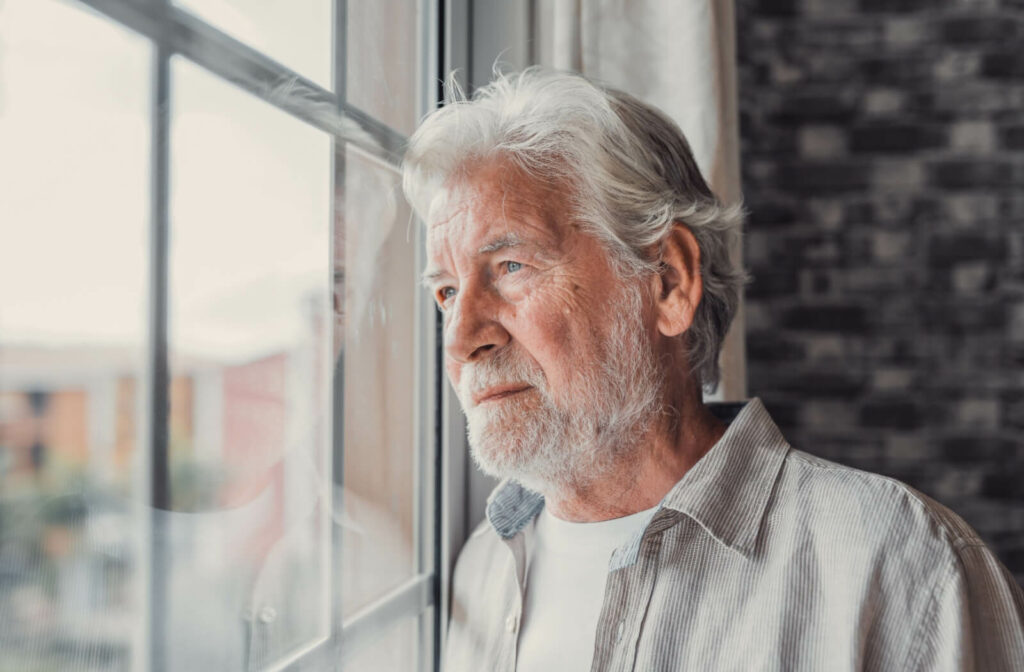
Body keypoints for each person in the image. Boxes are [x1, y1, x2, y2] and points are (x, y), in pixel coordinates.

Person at [401, 67, 1024, 671]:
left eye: (511, 266)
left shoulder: (903, 564)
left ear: (668, 281)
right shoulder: (481, 568)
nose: (460, 340)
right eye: (447, 292)